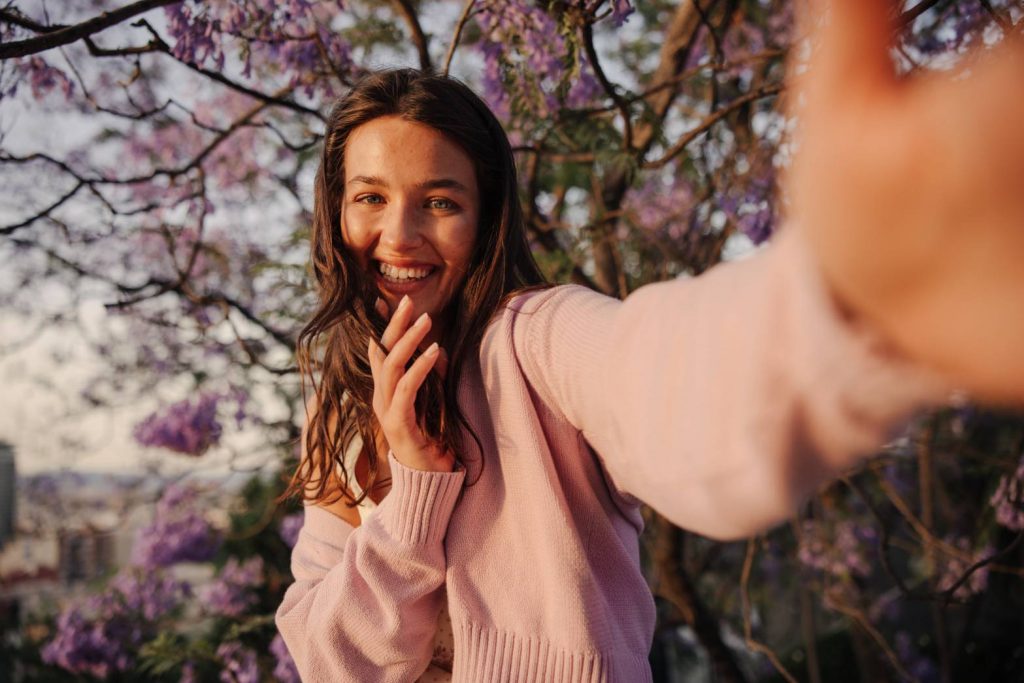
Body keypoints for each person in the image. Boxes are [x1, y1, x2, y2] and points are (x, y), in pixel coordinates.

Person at [275, 2, 1024, 681]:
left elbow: (664, 385)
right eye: (370, 196)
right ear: (334, 212)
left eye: (440, 201)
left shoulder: (532, 339)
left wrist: (849, 295)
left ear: (487, 219)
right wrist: (412, 491)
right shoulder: (337, 413)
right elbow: (328, 658)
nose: (397, 235)